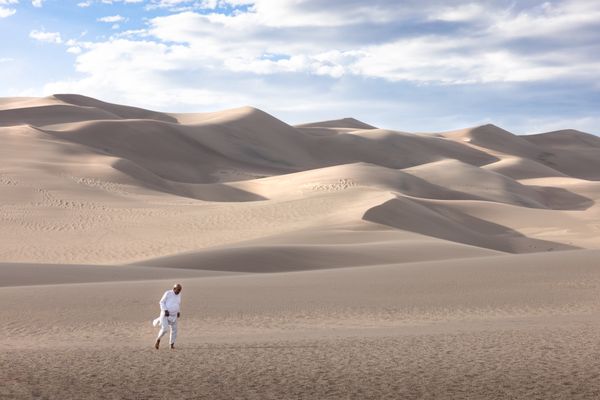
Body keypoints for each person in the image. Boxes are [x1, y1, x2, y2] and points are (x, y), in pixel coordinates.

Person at [153, 283, 182, 350]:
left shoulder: (179, 294)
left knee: (174, 330)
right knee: (165, 329)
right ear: (174, 289)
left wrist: (178, 311)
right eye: (178, 290)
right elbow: (161, 302)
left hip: (174, 315)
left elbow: (178, 304)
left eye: (180, 290)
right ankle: (158, 339)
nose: (179, 291)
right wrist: (165, 310)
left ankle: (171, 345)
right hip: (165, 314)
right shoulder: (168, 293)